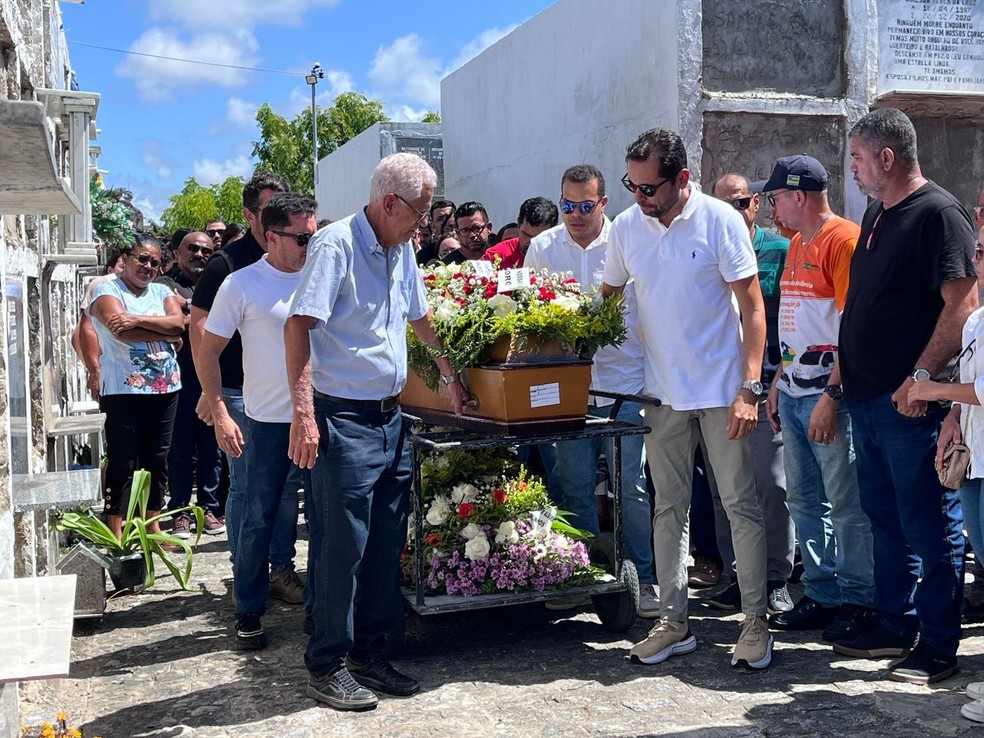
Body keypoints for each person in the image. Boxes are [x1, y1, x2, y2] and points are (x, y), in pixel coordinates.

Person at [285, 153, 467, 711]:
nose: (426, 226)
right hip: (343, 419)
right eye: (421, 213)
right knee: (343, 548)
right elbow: (298, 326)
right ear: (391, 203)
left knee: (387, 543)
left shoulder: (399, 249)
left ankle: (368, 653)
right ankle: (327, 663)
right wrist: (304, 412)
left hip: (391, 419)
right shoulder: (335, 245)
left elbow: (418, 317)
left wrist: (448, 373)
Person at [602, 128, 771, 670]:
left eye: (650, 187)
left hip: (725, 393)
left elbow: (752, 308)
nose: (640, 196)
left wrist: (750, 387)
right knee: (668, 509)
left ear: (682, 179)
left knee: (739, 505)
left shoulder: (721, 220)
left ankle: (754, 622)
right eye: (633, 184)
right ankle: (673, 623)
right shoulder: (627, 228)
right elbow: (605, 302)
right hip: (662, 395)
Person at [836, 107, 978, 684]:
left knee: (927, 523)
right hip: (868, 399)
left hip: (910, 403)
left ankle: (939, 641)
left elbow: (962, 304)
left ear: (887, 158)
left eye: (858, 159)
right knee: (883, 516)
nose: (853, 169)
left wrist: (921, 377)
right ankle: (894, 622)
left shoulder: (938, 215)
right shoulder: (876, 211)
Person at [525, 164, 656, 618]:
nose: (575, 215)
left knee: (633, 487)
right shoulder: (542, 248)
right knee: (573, 485)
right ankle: (578, 575)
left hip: (625, 384)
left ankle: (647, 578)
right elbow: (527, 318)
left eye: (585, 205)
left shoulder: (629, 240)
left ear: (603, 203)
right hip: (567, 390)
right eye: (567, 205)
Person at [756, 155, 874, 642]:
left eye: (776, 197)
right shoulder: (799, 240)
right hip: (794, 391)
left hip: (829, 396)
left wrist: (832, 393)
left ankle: (857, 598)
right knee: (805, 500)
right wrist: (776, 383)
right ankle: (822, 594)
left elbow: (852, 326)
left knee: (845, 504)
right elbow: (796, 323)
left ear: (798, 196)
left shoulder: (842, 239)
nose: (771, 206)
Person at [197, 193, 318, 649]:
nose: (311, 245)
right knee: (256, 518)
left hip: (323, 419)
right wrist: (221, 412)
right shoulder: (241, 284)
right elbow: (207, 351)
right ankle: (248, 610)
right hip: (265, 423)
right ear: (272, 236)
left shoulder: (322, 279)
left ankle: (320, 609)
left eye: (315, 234)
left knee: (324, 521)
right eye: (303, 236)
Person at [707, 172, 795, 615]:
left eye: (741, 203)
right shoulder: (705, 248)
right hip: (717, 389)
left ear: (756, 204)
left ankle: (777, 576)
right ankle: (735, 574)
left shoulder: (782, 250)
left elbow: (794, 319)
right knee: (729, 487)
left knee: (771, 483)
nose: (734, 213)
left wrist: (776, 377)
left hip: (768, 387)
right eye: (724, 205)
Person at [908, 224, 984, 716]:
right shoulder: (977, 320)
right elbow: (972, 380)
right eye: (978, 248)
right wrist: (952, 419)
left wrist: (932, 393)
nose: (979, 257)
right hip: (978, 458)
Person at [87, 235, 185, 537]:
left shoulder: (161, 289)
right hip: (123, 389)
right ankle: (115, 529)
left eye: (155, 262)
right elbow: (120, 333)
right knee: (123, 459)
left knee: (157, 457)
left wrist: (136, 319)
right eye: (142, 258)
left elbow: (179, 324)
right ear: (127, 257)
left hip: (165, 387)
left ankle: (153, 526)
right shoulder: (106, 289)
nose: (148, 266)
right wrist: (163, 330)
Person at [156, 231, 225, 537]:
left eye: (206, 251)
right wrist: (192, 317)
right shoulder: (163, 286)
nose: (199, 255)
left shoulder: (219, 285)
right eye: (193, 249)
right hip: (178, 381)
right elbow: (166, 323)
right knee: (180, 449)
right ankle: (181, 511)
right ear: (178, 252)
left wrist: (188, 312)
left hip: (214, 379)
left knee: (214, 448)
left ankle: (209, 508)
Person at [482, 197, 558, 269]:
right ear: (518, 224)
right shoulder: (495, 256)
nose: (531, 242)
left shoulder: (563, 254)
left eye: (539, 238)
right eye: (526, 234)